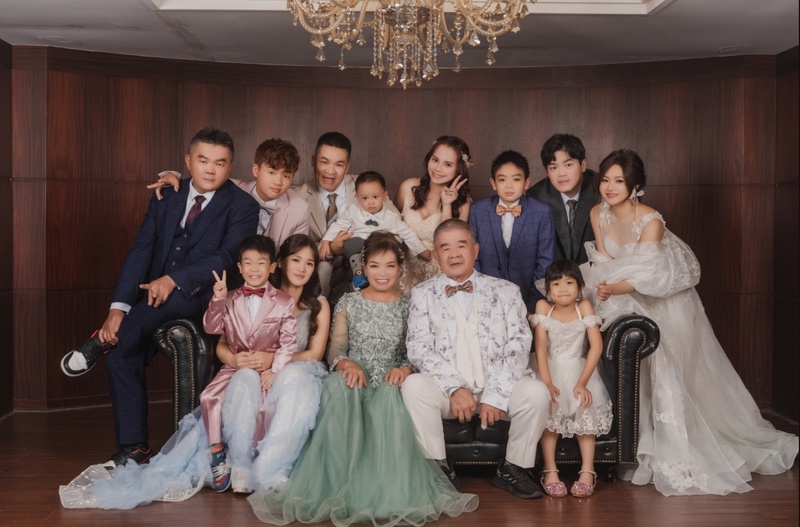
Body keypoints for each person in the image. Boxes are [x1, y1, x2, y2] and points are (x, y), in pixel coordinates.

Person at [582, 149, 798, 496]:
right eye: (605, 180)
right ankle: (632, 441)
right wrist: (603, 290)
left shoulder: (650, 220)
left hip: (664, 301)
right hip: (621, 294)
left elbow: (646, 275)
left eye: (619, 181)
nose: (609, 187)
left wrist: (611, 289)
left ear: (635, 185)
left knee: (666, 366)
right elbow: (604, 262)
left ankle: (676, 443)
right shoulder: (598, 212)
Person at [59, 234, 330, 508]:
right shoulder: (234, 297)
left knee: (295, 387)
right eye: (296, 260)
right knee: (227, 390)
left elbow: (306, 350)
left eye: (309, 263)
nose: (302, 268)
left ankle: (269, 466)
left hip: (285, 371)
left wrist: (273, 363)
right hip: (242, 369)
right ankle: (232, 461)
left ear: (270, 266)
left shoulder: (302, 303)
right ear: (279, 263)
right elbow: (219, 336)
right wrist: (225, 324)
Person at [59, 127, 259, 468]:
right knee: (121, 353)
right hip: (151, 293)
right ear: (188, 161)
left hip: (202, 295)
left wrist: (174, 279)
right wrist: (118, 307)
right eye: (203, 161)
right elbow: (141, 249)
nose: (211, 170)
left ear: (230, 167)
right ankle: (133, 448)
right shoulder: (168, 194)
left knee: (151, 310)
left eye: (220, 163)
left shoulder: (243, 206)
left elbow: (227, 257)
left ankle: (98, 341)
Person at [248, 231, 478, 526]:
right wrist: (347, 364)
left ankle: (384, 490)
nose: (382, 273)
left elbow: (418, 349)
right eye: (375, 266)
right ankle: (337, 486)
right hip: (354, 373)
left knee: (392, 397)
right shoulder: (349, 302)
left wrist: (405, 368)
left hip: (392, 377)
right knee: (338, 389)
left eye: (390, 266)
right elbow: (335, 350)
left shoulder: (410, 304)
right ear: (364, 268)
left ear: (400, 269)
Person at [402, 219, 551, 499]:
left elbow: (519, 345)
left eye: (461, 245)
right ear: (436, 256)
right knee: (413, 386)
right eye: (445, 248)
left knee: (536, 392)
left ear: (475, 250)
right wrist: (455, 388)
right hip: (449, 394)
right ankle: (437, 469)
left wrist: (495, 395)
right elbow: (419, 347)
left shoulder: (507, 291)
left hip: (497, 390)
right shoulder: (422, 294)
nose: (454, 254)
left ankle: (513, 468)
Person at [200, 235, 297, 493]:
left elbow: (289, 342)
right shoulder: (229, 298)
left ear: (272, 266)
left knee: (264, 406)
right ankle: (217, 452)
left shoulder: (284, 301)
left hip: (265, 369)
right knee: (210, 397)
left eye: (261, 263)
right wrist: (218, 299)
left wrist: (275, 370)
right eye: (248, 263)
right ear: (240, 268)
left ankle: (249, 462)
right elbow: (211, 328)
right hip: (235, 366)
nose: (254, 269)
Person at [529, 259, 612, 498]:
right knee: (550, 409)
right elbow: (540, 348)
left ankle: (588, 470)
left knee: (584, 407)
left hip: (579, 369)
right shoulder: (543, 307)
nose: (563, 288)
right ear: (548, 290)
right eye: (556, 284)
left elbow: (596, 346)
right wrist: (547, 382)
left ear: (580, 287)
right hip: (548, 368)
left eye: (569, 282)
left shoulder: (583, 306)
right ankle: (549, 469)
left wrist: (582, 383)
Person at [152, 138, 310, 248]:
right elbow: (200, 181)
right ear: (256, 170)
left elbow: (295, 255)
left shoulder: (300, 209)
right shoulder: (231, 189)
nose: (278, 182)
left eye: (286, 176)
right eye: (272, 172)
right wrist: (172, 175)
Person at [469, 150, 555, 313]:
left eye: (516, 179)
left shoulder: (542, 212)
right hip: (486, 295)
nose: (509, 186)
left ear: (527, 182)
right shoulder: (478, 210)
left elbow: (546, 259)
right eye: (502, 180)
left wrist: (534, 296)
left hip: (528, 295)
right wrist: (482, 290)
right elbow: (474, 256)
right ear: (493, 183)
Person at [320, 171, 431, 290]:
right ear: (357, 198)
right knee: (352, 242)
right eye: (364, 198)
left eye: (375, 197)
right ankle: (358, 274)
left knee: (389, 246)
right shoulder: (352, 211)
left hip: (379, 251)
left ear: (384, 195)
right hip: (358, 249)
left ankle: (380, 277)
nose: (371, 202)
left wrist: (421, 250)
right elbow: (338, 225)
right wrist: (326, 241)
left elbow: (407, 233)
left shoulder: (391, 217)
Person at [394, 136, 472, 291]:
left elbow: (448, 241)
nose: (438, 168)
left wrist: (447, 204)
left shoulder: (463, 204)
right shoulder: (408, 187)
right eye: (435, 160)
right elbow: (390, 223)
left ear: (459, 169)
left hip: (436, 278)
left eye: (448, 164)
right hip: (401, 270)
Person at [528, 133, 598, 264]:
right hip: (553, 272)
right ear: (547, 171)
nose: (561, 174)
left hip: (596, 270)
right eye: (554, 167)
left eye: (568, 165)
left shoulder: (601, 190)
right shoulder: (535, 196)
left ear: (583, 165)